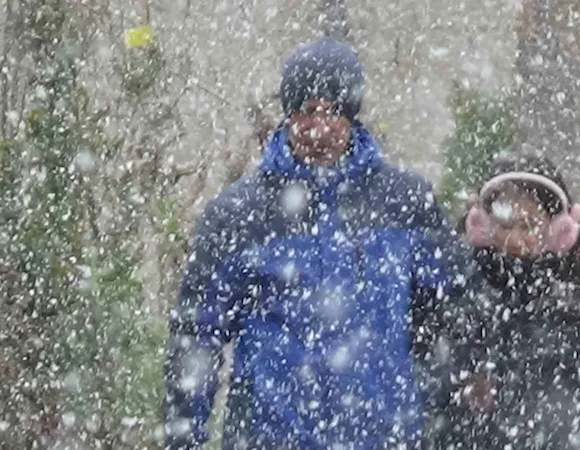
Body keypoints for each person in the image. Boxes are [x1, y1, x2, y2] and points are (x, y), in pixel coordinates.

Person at [162, 38, 476, 450]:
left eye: (334, 111)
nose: (320, 128)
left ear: (353, 116)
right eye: (307, 111)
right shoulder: (239, 215)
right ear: (289, 115)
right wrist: (183, 437)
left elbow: (457, 311)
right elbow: (196, 338)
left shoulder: (405, 202)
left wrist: (441, 413)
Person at [448, 153, 580, 449]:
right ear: (482, 224)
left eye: (527, 226)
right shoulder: (461, 291)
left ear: (559, 230)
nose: (514, 239)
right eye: (504, 224)